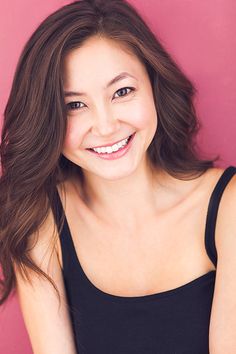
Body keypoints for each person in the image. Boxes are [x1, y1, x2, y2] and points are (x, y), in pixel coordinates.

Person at [0, 0, 236, 353]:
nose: (107, 126)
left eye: (122, 91)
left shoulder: (228, 206)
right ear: (47, 117)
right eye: (74, 105)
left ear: (154, 86)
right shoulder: (41, 219)